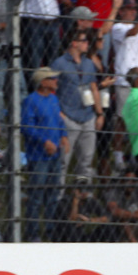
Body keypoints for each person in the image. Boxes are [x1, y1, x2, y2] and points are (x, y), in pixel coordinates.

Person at [21, 67, 68, 241]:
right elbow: (27, 127)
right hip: (38, 156)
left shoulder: (54, 99)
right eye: (52, 78)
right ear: (43, 82)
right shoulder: (30, 101)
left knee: (53, 195)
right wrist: (44, 141)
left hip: (54, 155)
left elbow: (58, 119)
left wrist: (64, 135)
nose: (56, 80)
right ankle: (32, 233)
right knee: (36, 197)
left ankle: (50, 231)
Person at [51, 29, 104, 183]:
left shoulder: (88, 63)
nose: (88, 44)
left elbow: (94, 88)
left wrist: (99, 114)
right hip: (68, 116)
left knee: (86, 161)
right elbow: (51, 89)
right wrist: (60, 114)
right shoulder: (59, 63)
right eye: (84, 41)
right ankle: (58, 196)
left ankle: (83, 193)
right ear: (74, 43)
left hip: (88, 116)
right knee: (63, 161)